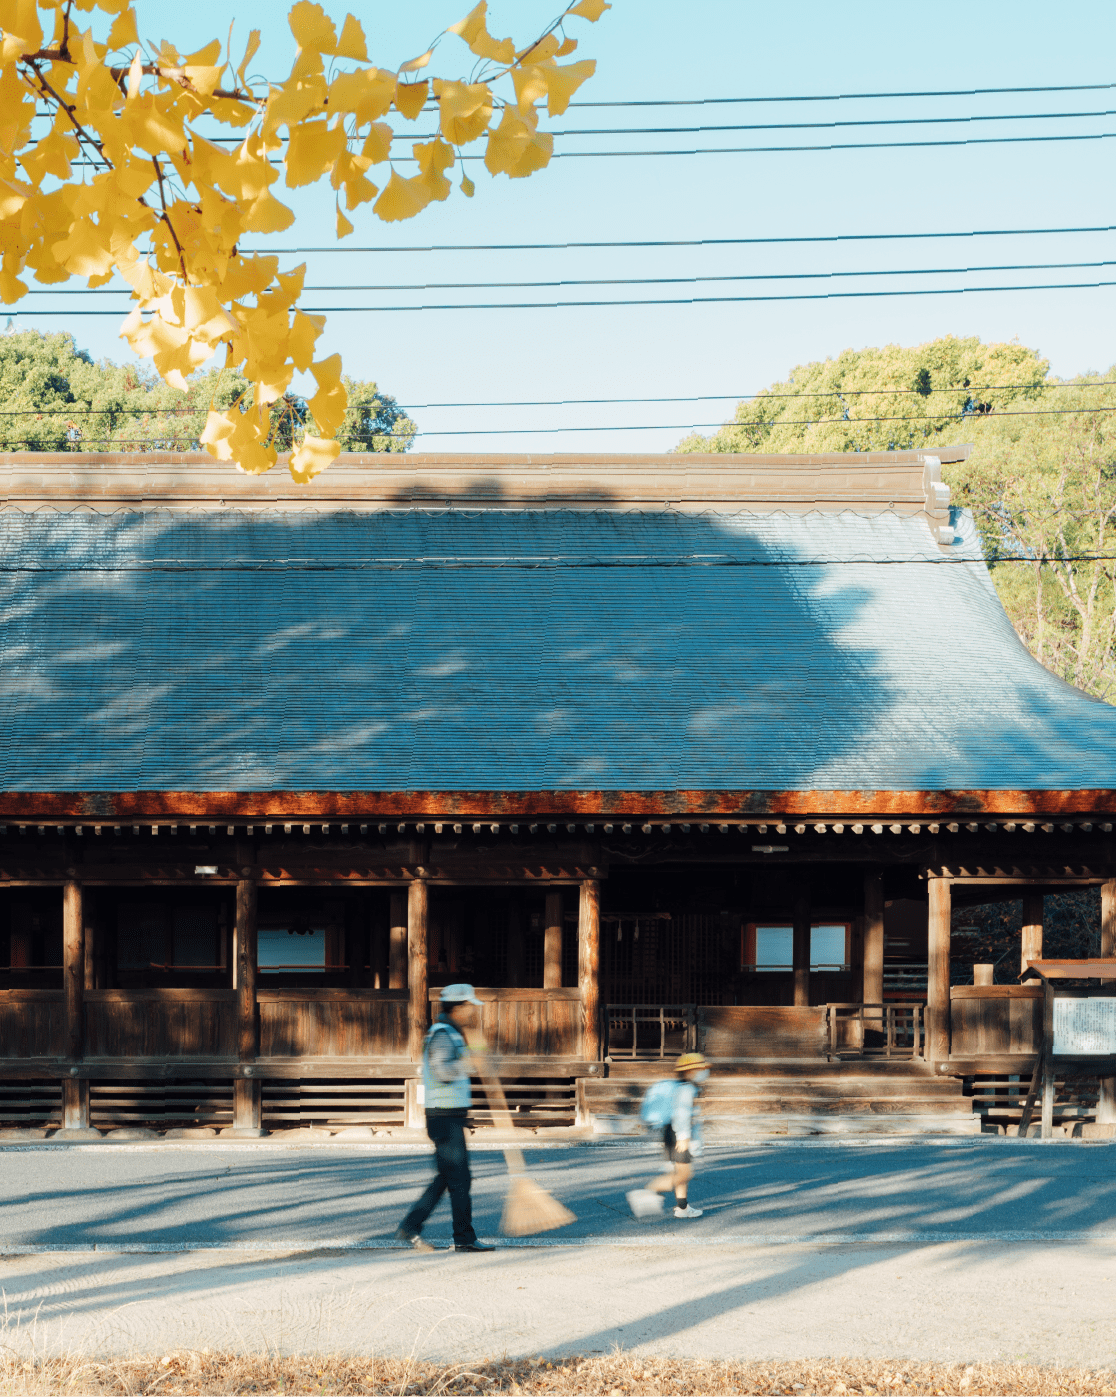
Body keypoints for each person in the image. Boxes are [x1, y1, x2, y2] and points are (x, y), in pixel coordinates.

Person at [397, 983, 495, 1253]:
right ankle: (463, 1238)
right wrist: (469, 1063)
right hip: (443, 1116)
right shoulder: (442, 1034)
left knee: (447, 1178)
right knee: (460, 1179)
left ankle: (411, 1227)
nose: (471, 1012)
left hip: (449, 1115)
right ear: (458, 1007)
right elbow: (441, 1071)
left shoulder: (452, 1033)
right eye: (468, 1007)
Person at [627, 1051, 711, 1220]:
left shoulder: (681, 1087)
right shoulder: (686, 1089)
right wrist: (684, 1138)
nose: (704, 1072)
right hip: (678, 1135)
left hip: (671, 1132)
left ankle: (683, 1208)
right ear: (689, 1071)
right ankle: (647, 1191)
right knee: (684, 1174)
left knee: (681, 1171)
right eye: (700, 1068)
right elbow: (682, 1114)